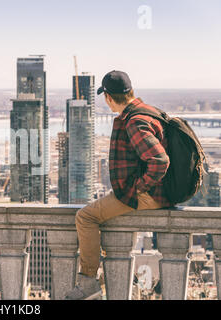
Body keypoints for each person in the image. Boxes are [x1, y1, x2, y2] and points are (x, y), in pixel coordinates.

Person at [66, 70, 171, 300]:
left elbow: (160, 161)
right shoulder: (148, 111)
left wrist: (139, 188)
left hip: (145, 195)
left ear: (108, 98)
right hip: (159, 192)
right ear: (131, 91)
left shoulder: (134, 121)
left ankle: (88, 283)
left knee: (86, 217)